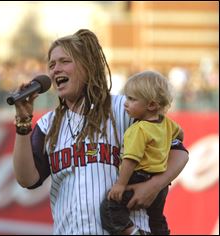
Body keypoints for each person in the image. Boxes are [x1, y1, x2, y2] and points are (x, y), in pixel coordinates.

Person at [12, 29, 189, 235]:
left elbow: (179, 151)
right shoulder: (48, 125)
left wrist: (154, 186)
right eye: (51, 65)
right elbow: (27, 179)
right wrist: (23, 122)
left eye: (64, 61)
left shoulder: (123, 108)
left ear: (87, 66)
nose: (55, 69)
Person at [101, 70, 184, 235]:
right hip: (160, 184)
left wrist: (120, 184)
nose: (126, 103)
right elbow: (180, 134)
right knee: (156, 218)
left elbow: (130, 160)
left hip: (138, 177)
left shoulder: (138, 129)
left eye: (132, 99)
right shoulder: (167, 124)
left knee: (110, 208)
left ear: (151, 105)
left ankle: (134, 232)